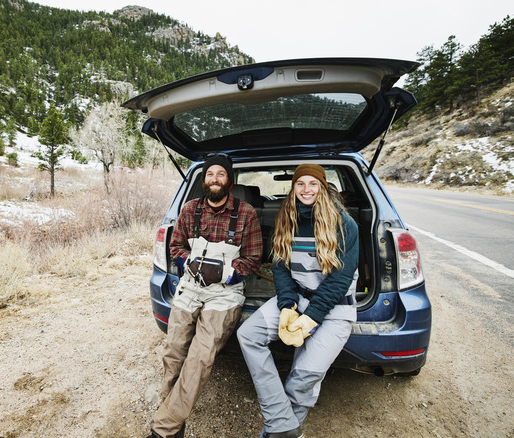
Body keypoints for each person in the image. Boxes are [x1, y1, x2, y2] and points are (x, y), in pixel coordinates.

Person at [237, 164, 359, 438]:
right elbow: (280, 266)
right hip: (298, 299)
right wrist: (287, 306)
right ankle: (283, 424)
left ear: (322, 187)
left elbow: (340, 280)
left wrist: (311, 317)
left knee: (304, 377)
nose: (306, 190)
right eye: (300, 184)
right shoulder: (287, 218)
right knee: (247, 334)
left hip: (335, 308)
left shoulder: (344, 223)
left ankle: (277, 431)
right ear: (293, 189)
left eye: (312, 184)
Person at [148, 155, 263, 438]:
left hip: (224, 295)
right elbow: (175, 246)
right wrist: (189, 262)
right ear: (204, 181)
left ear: (229, 181)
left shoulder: (246, 212)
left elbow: (254, 257)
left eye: (220, 174)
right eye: (210, 174)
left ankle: (164, 428)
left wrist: (227, 273)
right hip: (190, 287)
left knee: (200, 355)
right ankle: (173, 415)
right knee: (173, 350)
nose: (214, 178)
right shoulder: (189, 210)